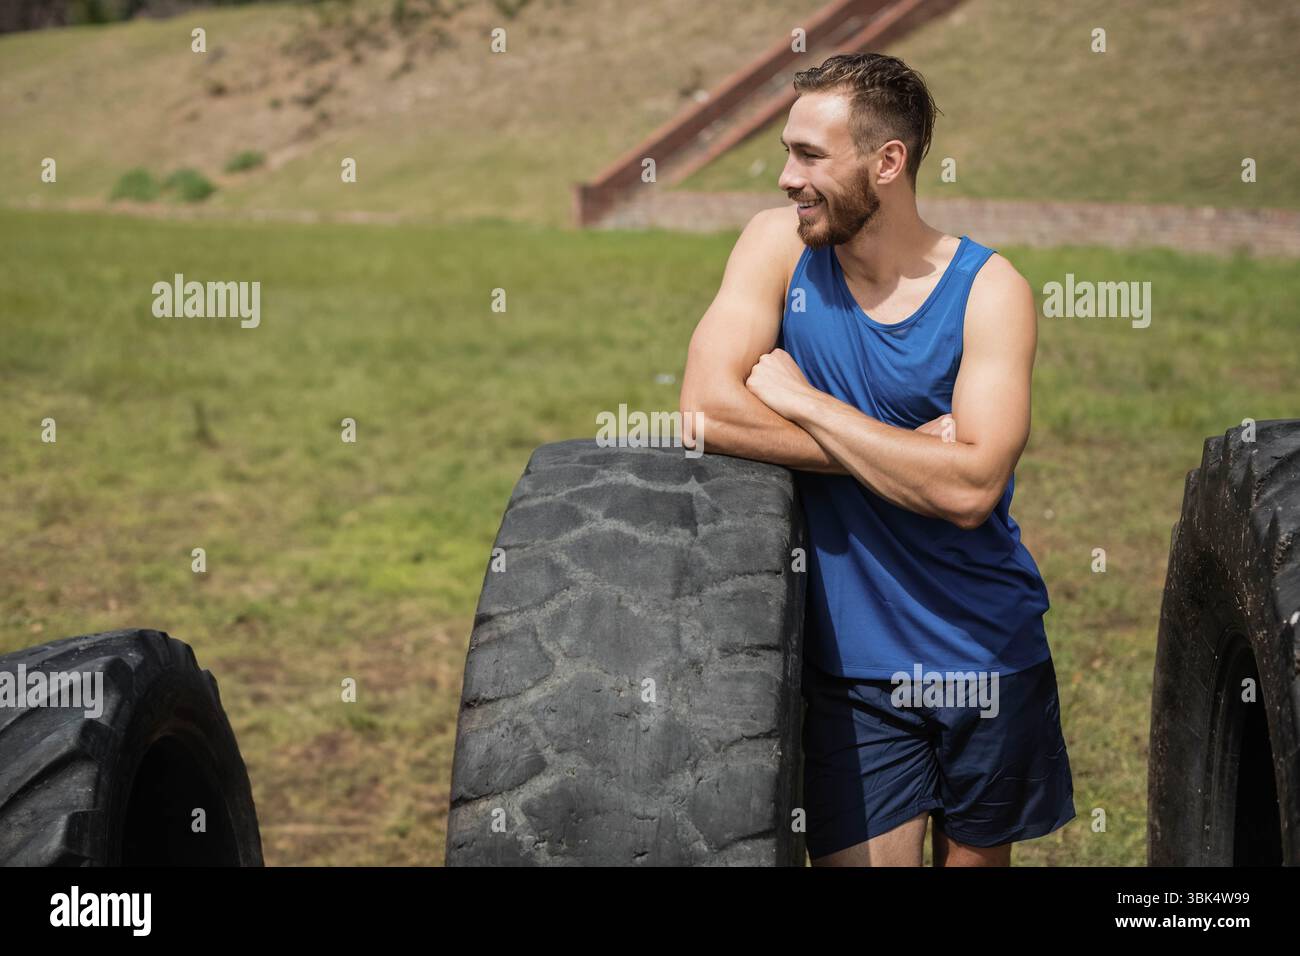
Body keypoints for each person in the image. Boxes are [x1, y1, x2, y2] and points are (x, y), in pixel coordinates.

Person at [679, 52, 1074, 866]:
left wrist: (809, 404)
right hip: (855, 668)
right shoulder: (776, 249)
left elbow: (970, 490)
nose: (787, 178)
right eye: (787, 151)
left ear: (887, 163)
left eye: (810, 156)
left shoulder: (991, 289)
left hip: (985, 654)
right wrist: (905, 453)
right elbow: (703, 411)